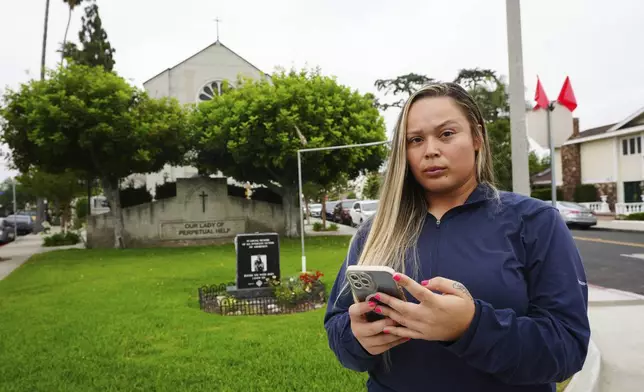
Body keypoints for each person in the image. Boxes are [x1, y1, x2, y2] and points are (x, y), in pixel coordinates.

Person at [323, 82, 590, 392]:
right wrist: (356, 339)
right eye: (416, 139)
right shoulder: (376, 231)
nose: (431, 150)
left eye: (446, 134)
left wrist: (471, 327)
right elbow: (338, 327)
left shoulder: (535, 222)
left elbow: (567, 349)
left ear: (477, 137)